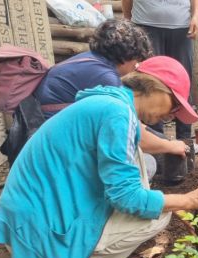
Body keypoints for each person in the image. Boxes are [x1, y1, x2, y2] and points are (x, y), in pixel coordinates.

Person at [0, 56, 198, 258]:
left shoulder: (111, 102)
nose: (171, 116)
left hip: (26, 217)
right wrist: (187, 200)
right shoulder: (118, 114)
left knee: (139, 161)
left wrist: (170, 147)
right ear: (155, 87)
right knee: (158, 217)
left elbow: (138, 140)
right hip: (37, 232)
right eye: (173, 106)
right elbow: (126, 198)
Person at [35, 19, 188, 176]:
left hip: (50, 141)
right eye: (137, 63)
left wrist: (164, 141)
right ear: (128, 57)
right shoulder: (106, 78)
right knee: (145, 164)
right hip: (61, 154)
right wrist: (170, 146)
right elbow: (133, 134)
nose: (136, 68)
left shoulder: (89, 62)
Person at [122, 0, 198, 142]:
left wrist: (195, 16)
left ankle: (185, 139)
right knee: (149, 81)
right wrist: (127, 19)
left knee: (182, 82)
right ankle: (154, 137)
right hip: (145, 24)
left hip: (181, 27)